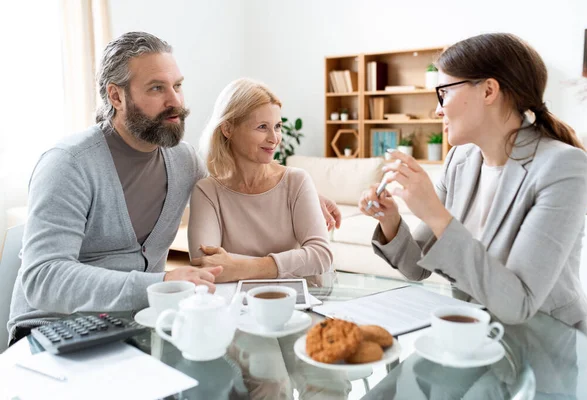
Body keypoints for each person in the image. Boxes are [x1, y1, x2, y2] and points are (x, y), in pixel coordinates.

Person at [7, 32, 340, 346]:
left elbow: (233, 181)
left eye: (177, 86)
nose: (175, 101)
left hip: (140, 322)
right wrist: (159, 284)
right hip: (55, 328)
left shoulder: (182, 160)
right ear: (116, 95)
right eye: (156, 88)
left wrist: (301, 193)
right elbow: (43, 278)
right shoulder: (69, 164)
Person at [359, 33, 587, 341]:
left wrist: (434, 212)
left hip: (547, 346)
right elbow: (417, 267)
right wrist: (391, 220)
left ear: (488, 90)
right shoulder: (460, 159)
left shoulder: (563, 166)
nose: (437, 110)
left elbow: (519, 303)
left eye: (443, 92)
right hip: (476, 340)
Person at [188, 78, 333, 281]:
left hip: (296, 303)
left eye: (278, 126)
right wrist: (292, 263)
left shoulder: (296, 181)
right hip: (237, 305)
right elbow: (206, 264)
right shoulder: (208, 191)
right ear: (228, 129)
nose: (274, 138)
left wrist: (241, 267)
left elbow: (321, 256)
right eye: (262, 127)